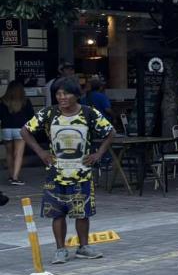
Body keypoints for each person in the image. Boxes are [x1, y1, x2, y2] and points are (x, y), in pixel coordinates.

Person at [21, 77, 115, 264]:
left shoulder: (89, 113)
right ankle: (60, 249)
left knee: (82, 213)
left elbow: (110, 132)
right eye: (58, 94)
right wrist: (41, 152)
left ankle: (83, 247)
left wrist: (98, 154)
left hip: (82, 174)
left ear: (77, 95)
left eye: (66, 93)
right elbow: (25, 131)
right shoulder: (49, 113)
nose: (62, 97)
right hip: (55, 174)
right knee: (57, 213)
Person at [2, 79, 33, 185]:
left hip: (6, 129)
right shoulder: (25, 101)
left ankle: (11, 176)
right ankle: (15, 178)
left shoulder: (2, 101)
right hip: (20, 129)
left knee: (9, 153)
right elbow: (31, 116)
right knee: (18, 154)